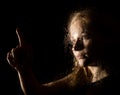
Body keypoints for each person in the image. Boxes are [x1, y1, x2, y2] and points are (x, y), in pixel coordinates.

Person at [6, 7, 120, 95]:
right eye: (73, 40)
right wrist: (24, 69)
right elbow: (37, 92)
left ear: (107, 37)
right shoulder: (82, 76)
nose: (75, 47)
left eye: (85, 37)